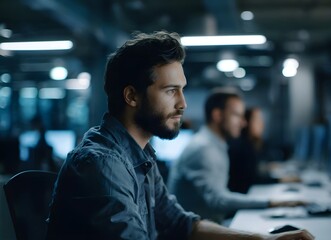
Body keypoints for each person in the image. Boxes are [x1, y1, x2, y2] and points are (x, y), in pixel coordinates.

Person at [45, 31, 314, 240]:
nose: (183, 104)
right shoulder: (102, 164)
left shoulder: (140, 155)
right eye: (170, 90)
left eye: (182, 89)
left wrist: (262, 238)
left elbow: (180, 224)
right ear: (131, 96)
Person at [167, 89, 307, 224]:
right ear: (218, 115)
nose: (243, 122)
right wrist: (271, 202)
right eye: (237, 115)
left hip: (210, 226)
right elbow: (218, 200)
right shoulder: (204, 149)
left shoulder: (215, 144)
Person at [228, 107, 301, 194]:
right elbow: (252, 178)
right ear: (247, 123)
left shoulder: (252, 144)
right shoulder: (241, 147)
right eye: (257, 120)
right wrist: (281, 179)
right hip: (243, 196)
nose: (262, 125)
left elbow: (253, 170)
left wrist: (267, 167)